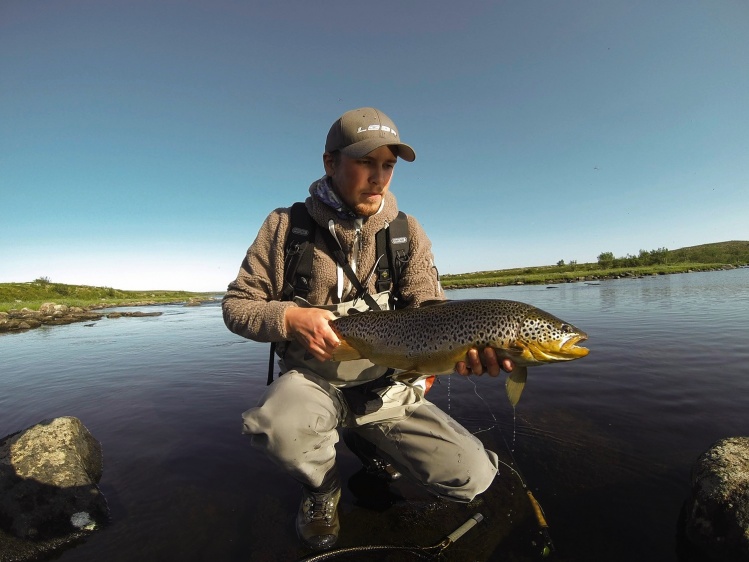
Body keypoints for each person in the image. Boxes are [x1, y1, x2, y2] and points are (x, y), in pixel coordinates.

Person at [222, 107, 512, 551]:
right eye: (365, 162)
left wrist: (464, 351)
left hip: (387, 389)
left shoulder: (406, 232)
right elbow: (236, 307)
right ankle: (323, 488)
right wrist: (289, 318)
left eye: (388, 165)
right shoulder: (285, 227)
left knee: (473, 477)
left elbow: (432, 310)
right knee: (277, 425)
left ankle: (367, 438)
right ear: (330, 163)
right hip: (314, 383)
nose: (379, 177)